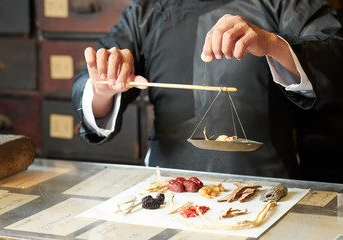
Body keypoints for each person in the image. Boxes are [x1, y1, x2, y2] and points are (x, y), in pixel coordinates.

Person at [72, 0, 343, 179]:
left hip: (265, 184)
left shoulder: (285, 3)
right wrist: (105, 86)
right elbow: (92, 80)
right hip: (167, 186)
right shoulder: (146, 10)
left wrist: (272, 43)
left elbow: (334, 53)